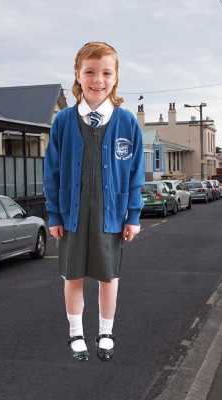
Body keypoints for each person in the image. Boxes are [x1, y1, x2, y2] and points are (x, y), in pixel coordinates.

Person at [43, 42, 145, 362]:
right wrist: (55, 215)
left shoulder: (127, 122)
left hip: (110, 213)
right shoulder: (63, 122)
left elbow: (135, 173)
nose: (97, 79)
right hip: (72, 214)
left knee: (108, 277)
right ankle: (76, 333)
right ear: (77, 74)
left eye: (106, 72)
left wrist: (134, 215)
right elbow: (53, 171)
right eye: (90, 72)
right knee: (72, 276)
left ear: (115, 78)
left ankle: (105, 331)